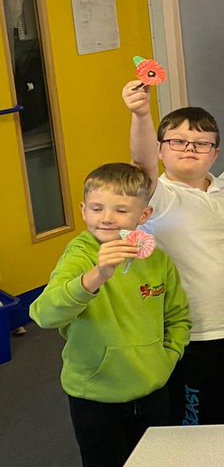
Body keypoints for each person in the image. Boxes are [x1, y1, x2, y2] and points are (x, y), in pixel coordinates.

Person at [31, 163, 190, 467]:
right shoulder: (79, 255)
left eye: (120, 210)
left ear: (144, 215)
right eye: (97, 208)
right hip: (95, 397)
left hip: (152, 389)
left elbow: (178, 317)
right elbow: (43, 315)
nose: (106, 218)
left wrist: (166, 359)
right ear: (83, 210)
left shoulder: (157, 260)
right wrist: (96, 277)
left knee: (157, 461)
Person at [122, 82, 224, 425]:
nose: (190, 149)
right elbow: (141, 163)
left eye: (201, 143)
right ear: (161, 150)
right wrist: (140, 113)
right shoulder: (158, 195)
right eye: (178, 141)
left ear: (215, 152)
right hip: (189, 335)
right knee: (189, 426)